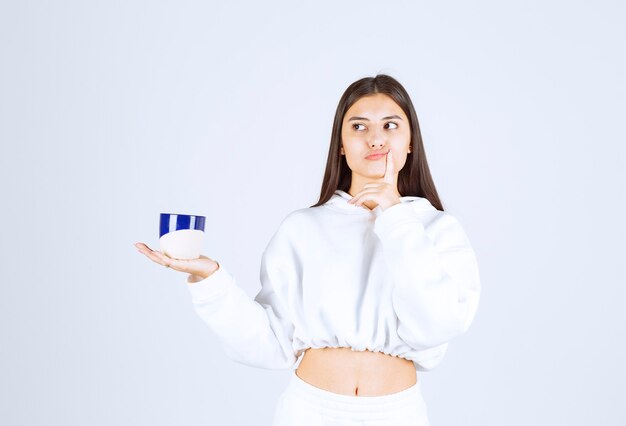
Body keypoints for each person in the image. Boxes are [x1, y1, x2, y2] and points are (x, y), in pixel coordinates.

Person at [135, 74, 481, 425]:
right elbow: (272, 342)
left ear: (410, 143)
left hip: (397, 414)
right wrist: (209, 279)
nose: (375, 138)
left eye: (390, 125)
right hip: (310, 411)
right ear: (341, 146)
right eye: (358, 127)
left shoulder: (436, 229)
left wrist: (395, 215)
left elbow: (436, 324)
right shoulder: (303, 228)